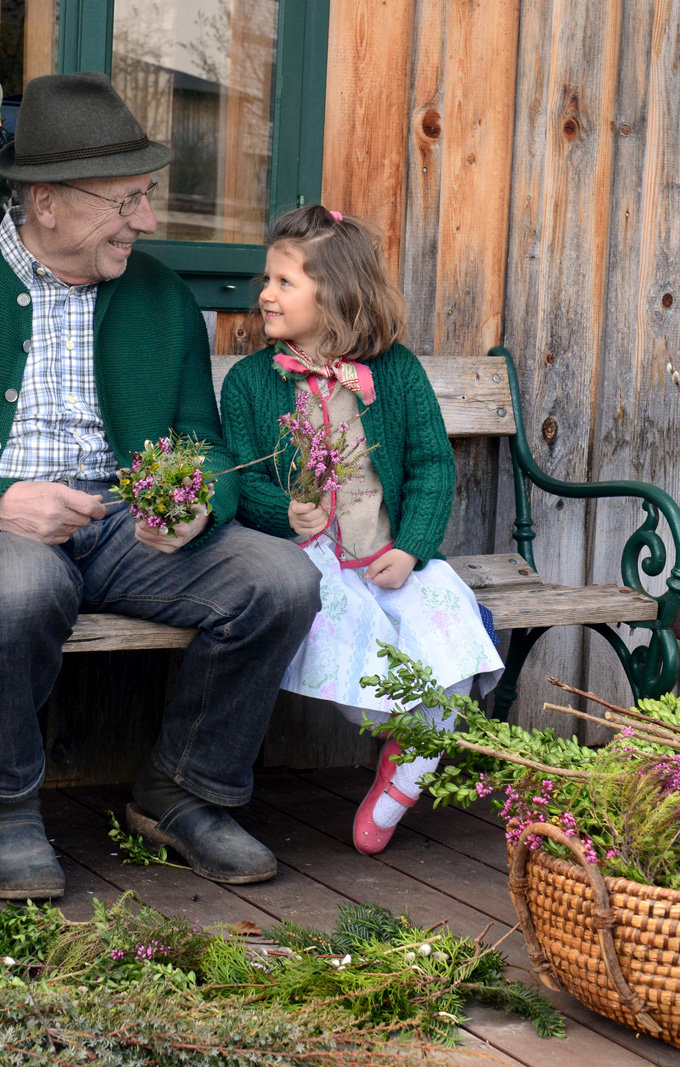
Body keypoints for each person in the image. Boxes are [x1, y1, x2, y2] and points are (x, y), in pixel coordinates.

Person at [0, 71, 322, 900]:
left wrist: (193, 501)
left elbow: (201, 442)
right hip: (4, 528)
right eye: (126, 201)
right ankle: (5, 810)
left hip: (127, 527)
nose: (144, 220)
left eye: (146, 197)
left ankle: (183, 791)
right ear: (47, 202)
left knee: (282, 579)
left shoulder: (159, 296)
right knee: (23, 584)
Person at [219, 206, 503, 855]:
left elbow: (432, 463)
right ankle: (409, 744)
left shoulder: (395, 373)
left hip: (389, 555)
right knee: (353, 659)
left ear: (339, 292)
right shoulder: (249, 384)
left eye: (285, 282)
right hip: (311, 566)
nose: (265, 293)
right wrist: (284, 510)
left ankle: (401, 780)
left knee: (450, 641)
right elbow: (238, 478)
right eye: (268, 279)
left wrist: (412, 547)